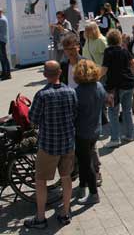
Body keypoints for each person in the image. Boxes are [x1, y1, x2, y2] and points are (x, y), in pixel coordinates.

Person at [24, 61, 77, 229]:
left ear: (45, 75)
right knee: (66, 178)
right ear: (60, 72)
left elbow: (32, 119)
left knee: (40, 181)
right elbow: (75, 114)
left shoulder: (42, 95)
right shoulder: (71, 92)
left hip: (48, 145)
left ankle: (40, 218)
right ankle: (65, 213)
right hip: (68, 143)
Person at [73, 60, 107, 205]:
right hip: (95, 129)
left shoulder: (78, 92)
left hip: (82, 132)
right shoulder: (99, 86)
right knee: (84, 160)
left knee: (86, 164)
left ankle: (93, 194)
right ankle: (82, 186)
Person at [101, 29, 134, 147]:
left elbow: (104, 69)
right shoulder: (124, 50)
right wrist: (129, 73)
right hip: (129, 84)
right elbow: (133, 64)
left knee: (113, 112)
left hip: (115, 87)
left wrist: (96, 77)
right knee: (127, 110)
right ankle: (129, 135)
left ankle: (115, 138)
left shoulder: (108, 51)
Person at [0, 7, 11, 80]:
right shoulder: (3, 17)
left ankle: (7, 74)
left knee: (3, 57)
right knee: (2, 57)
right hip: (2, 40)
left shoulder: (2, 19)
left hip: (1, 40)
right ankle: (4, 72)